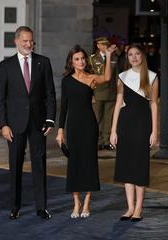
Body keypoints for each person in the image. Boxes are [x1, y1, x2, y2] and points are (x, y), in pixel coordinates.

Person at [0, 26, 56, 220]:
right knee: (15, 166)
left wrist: (50, 119)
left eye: (31, 41)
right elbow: (1, 99)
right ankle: (14, 207)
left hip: (38, 123)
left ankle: (41, 207)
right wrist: (3, 124)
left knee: (40, 164)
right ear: (16, 41)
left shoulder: (43, 62)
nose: (29, 44)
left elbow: (50, 94)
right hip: (14, 125)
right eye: (25, 41)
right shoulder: (6, 66)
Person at [56, 44, 116, 218]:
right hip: (73, 126)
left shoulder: (91, 78)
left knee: (89, 163)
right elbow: (64, 107)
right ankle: (76, 203)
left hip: (89, 125)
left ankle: (87, 202)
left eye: (83, 58)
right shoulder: (66, 81)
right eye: (77, 59)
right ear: (71, 62)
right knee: (74, 163)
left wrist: (109, 56)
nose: (81, 61)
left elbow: (107, 77)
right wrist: (60, 131)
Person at [110, 43, 158, 222]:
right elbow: (118, 104)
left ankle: (139, 208)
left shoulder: (152, 77)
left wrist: (155, 131)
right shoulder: (122, 77)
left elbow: (153, 104)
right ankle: (130, 207)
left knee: (139, 166)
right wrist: (113, 130)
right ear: (127, 57)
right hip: (125, 125)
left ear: (142, 56)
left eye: (137, 54)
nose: (134, 57)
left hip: (143, 125)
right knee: (126, 167)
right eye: (131, 54)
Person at [88, 37, 118, 151]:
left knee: (108, 118)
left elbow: (116, 77)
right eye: (103, 45)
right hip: (98, 93)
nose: (105, 47)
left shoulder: (114, 58)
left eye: (107, 45)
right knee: (97, 118)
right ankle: (97, 140)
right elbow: (90, 78)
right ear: (98, 46)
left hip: (111, 93)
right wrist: (91, 94)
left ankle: (106, 141)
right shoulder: (92, 59)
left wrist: (119, 93)